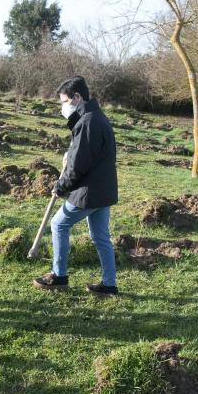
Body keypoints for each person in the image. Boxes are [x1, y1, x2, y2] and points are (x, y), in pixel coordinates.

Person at [32, 76, 119, 295]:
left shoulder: (88, 121)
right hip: (103, 190)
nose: (62, 106)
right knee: (100, 237)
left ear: (77, 97)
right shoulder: (95, 117)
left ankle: (59, 276)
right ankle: (109, 285)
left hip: (90, 191)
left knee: (59, 224)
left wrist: (61, 186)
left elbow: (79, 164)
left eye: (64, 101)